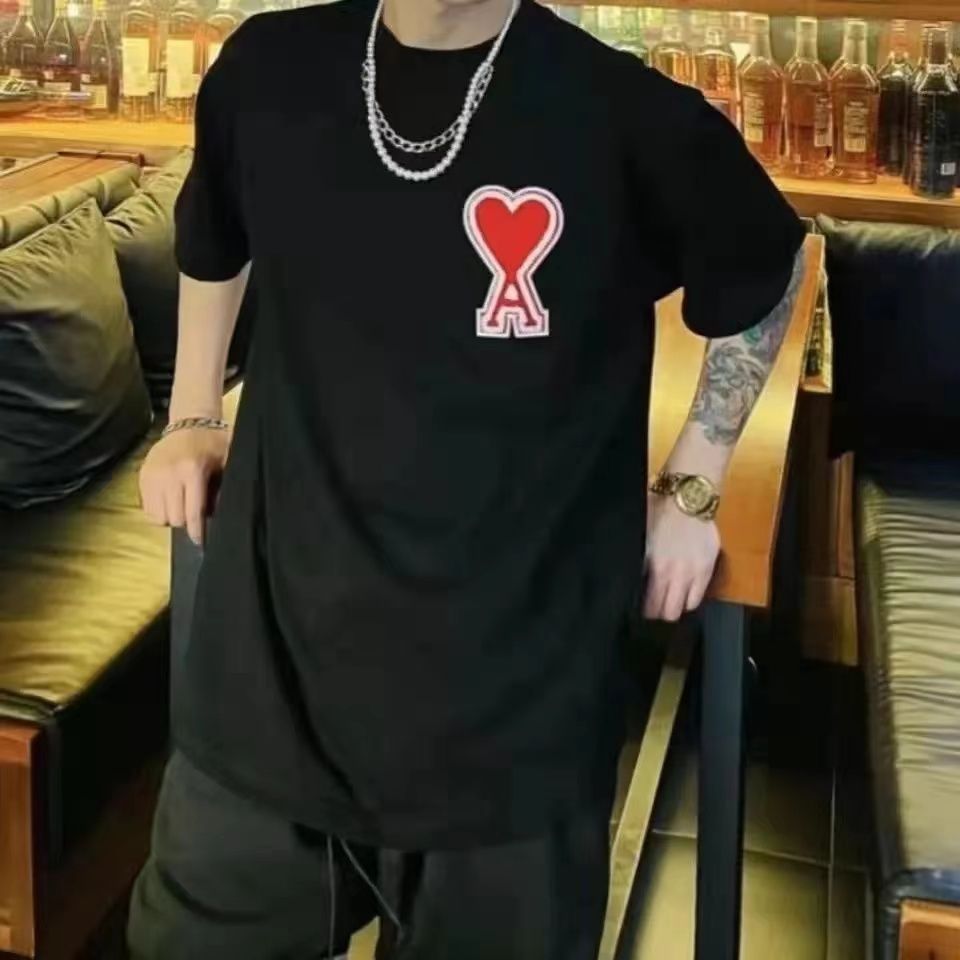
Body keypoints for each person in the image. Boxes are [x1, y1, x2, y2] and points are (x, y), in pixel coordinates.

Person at [127, 0, 806, 956]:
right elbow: (213, 234)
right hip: (267, 689)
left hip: (515, 726)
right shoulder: (266, 68)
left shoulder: (625, 112)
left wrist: (693, 483)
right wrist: (193, 413)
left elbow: (767, 270)